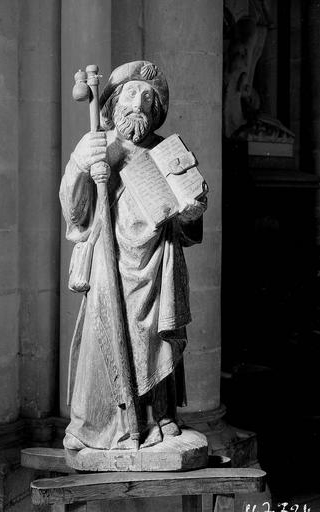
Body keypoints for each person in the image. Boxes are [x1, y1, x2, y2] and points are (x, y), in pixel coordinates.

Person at [60, 61, 207, 451]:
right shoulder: (100, 144)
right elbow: (75, 212)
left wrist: (191, 214)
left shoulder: (166, 151)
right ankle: (109, 423)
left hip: (159, 263)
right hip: (114, 265)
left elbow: (190, 222)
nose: (138, 103)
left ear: (155, 109)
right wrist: (80, 163)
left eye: (147, 97)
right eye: (130, 93)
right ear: (113, 101)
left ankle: (160, 416)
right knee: (112, 336)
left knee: (160, 336)